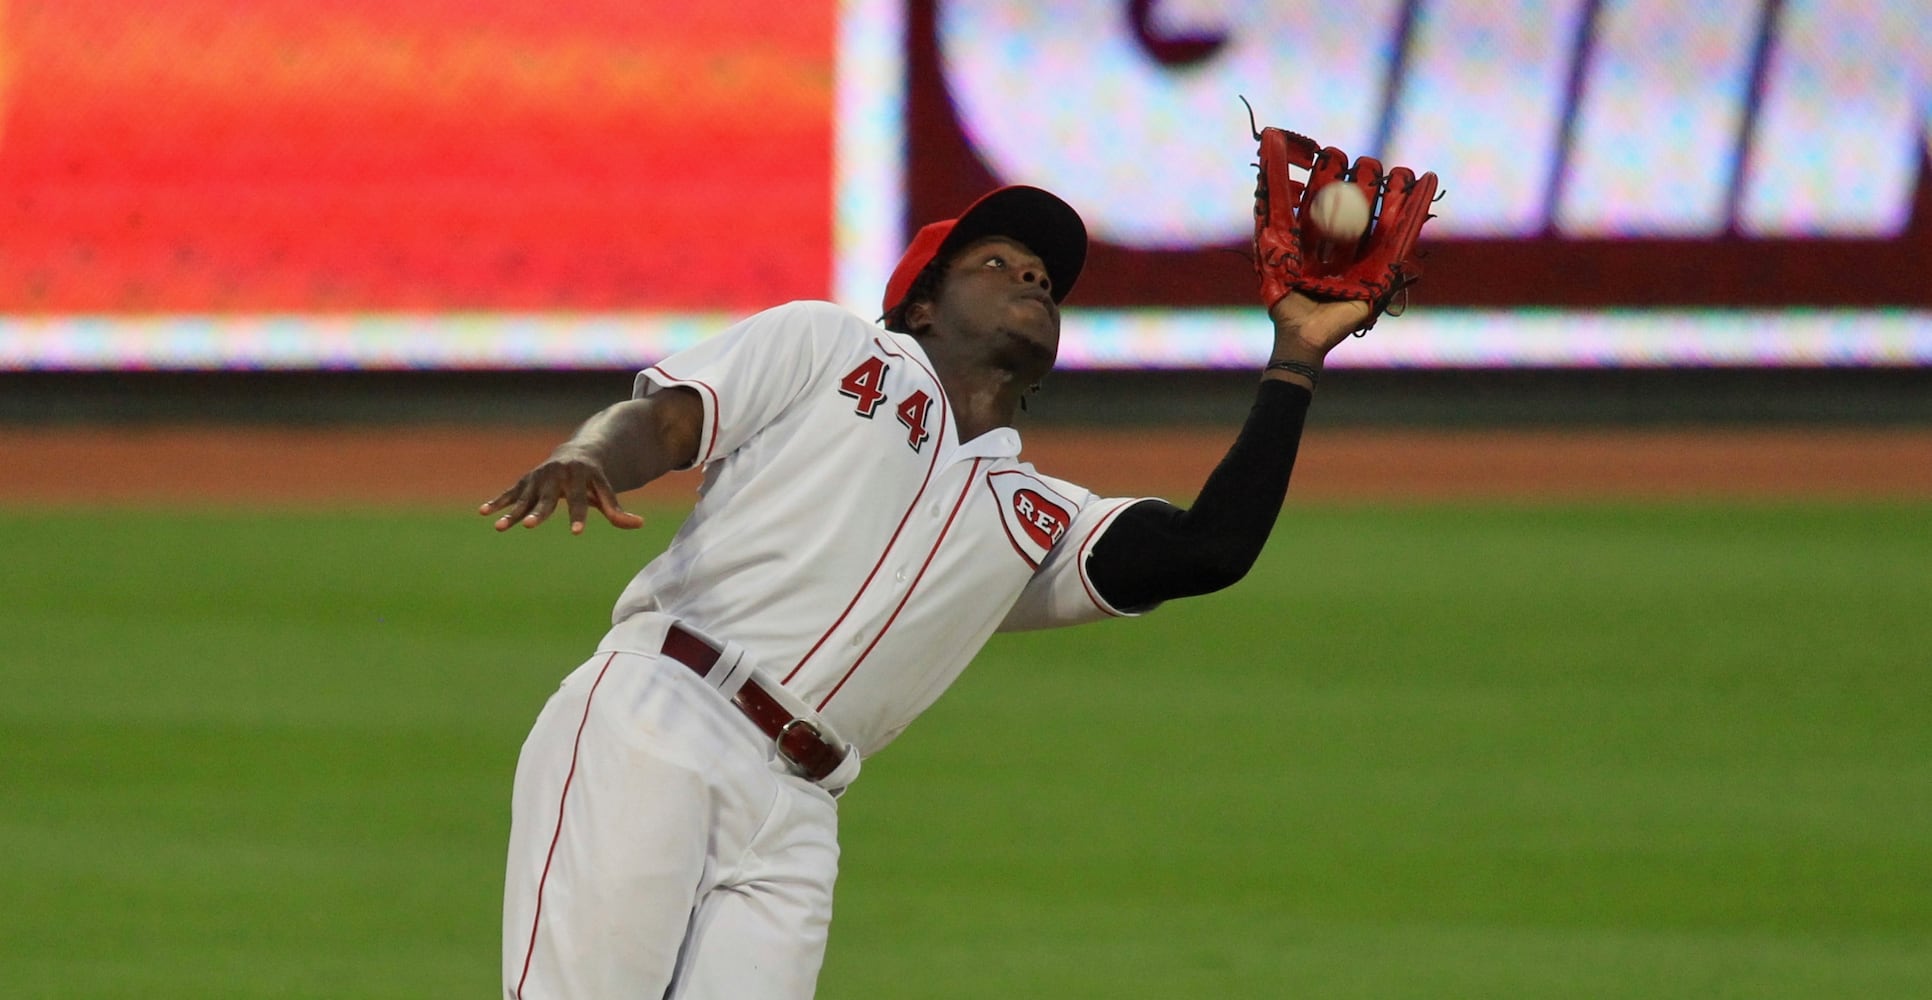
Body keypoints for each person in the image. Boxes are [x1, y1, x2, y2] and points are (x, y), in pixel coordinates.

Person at [485, 184, 1384, 999]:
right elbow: (669, 419)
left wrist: (1297, 357)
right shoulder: (830, 348)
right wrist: (588, 453)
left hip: (800, 811)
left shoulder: (1035, 514)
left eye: (1043, 277)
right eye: (998, 264)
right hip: (662, 721)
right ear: (921, 302)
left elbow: (1209, 549)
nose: (1031, 279)